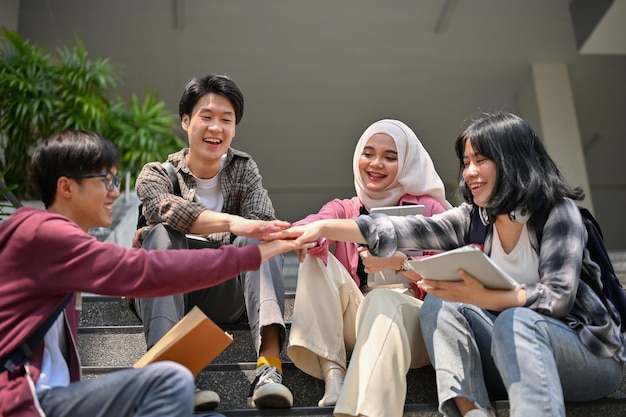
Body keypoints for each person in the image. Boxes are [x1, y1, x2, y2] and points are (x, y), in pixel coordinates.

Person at [266, 112, 626, 417]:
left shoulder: (556, 213)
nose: (469, 172)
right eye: (466, 162)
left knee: (515, 318)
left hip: (586, 354)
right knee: (441, 300)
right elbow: (403, 228)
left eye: (481, 160)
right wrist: (324, 226)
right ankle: (471, 411)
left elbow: (557, 298)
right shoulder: (473, 218)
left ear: (513, 159)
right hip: (505, 351)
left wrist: (485, 296)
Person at [0, 130, 309, 417]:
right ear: (66, 186)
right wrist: (251, 253)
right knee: (169, 378)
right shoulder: (42, 235)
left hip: (55, 398)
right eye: (105, 180)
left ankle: (265, 366)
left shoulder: (52, 242)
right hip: (25, 402)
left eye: (116, 179)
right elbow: (146, 271)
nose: (114, 192)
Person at [132, 73, 293, 409]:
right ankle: (170, 377)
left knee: (260, 243)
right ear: (186, 121)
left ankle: (269, 371)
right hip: (169, 291)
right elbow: (165, 210)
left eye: (226, 120)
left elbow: (261, 224)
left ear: (235, 128)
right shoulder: (157, 173)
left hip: (224, 290)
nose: (215, 128)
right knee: (162, 233)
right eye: (206, 117)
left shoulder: (244, 169)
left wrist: (255, 231)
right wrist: (236, 223)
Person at [287, 119, 452, 417]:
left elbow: (451, 276)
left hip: (417, 323)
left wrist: (399, 263)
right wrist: (311, 238)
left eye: (390, 157)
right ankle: (333, 373)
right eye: (369, 153)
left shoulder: (430, 210)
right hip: (359, 318)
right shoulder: (347, 208)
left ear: (406, 163)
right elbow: (312, 223)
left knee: (382, 298)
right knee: (315, 256)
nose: (376, 164)